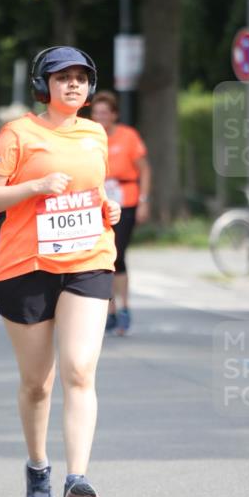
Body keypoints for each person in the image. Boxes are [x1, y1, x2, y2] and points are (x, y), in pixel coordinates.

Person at [0, 47, 121, 497]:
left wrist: (108, 207)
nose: (73, 85)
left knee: (80, 369)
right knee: (38, 383)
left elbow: (95, 188)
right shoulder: (19, 132)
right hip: (27, 266)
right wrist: (34, 188)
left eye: (81, 77)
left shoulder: (95, 133)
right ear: (44, 86)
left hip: (89, 260)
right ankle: (38, 467)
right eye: (62, 78)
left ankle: (77, 478)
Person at [90, 91, 151, 335]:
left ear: (114, 114)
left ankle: (123, 307)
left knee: (117, 253)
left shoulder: (128, 136)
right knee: (103, 256)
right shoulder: (89, 138)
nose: (101, 117)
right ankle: (110, 311)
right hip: (98, 201)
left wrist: (145, 201)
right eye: (96, 113)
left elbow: (145, 170)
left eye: (105, 113)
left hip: (126, 199)